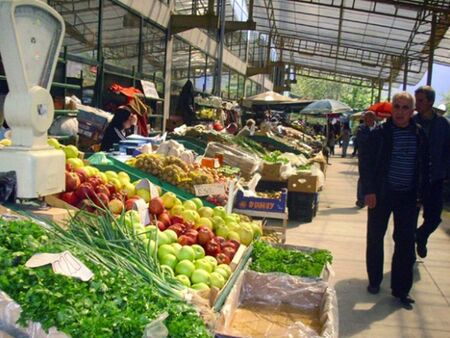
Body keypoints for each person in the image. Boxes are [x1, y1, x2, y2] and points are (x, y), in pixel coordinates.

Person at [360, 92, 428, 309]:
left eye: (405, 107)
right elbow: (367, 163)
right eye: (396, 107)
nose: (399, 111)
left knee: (405, 243)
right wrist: (369, 191)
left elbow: (424, 167)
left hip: (408, 197)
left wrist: (420, 195)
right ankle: (374, 281)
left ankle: (401, 290)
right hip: (381, 194)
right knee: (375, 237)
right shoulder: (379, 133)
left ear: (412, 111)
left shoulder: (419, 134)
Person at [413, 86, 450, 258]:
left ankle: (421, 236)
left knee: (434, 217)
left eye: (421, 100)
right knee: (409, 217)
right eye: (416, 100)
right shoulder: (412, 121)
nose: (417, 104)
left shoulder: (442, 124)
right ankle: (408, 253)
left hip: (435, 177)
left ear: (430, 102)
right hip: (414, 178)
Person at [355, 111, 377, 208]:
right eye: (365, 119)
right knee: (363, 178)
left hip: (377, 158)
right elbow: (362, 141)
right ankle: (361, 200)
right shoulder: (361, 129)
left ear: (373, 119)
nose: (366, 121)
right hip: (364, 157)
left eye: (368, 119)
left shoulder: (380, 128)